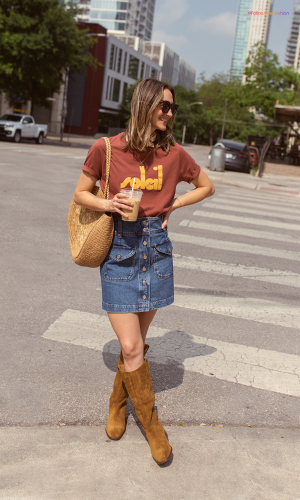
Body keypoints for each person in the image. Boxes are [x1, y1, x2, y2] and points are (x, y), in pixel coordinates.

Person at [73, 78, 215, 465]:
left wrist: (176, 203)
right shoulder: (107, 148)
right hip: (119, 250)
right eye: (164, 106)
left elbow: (207, 185)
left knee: (132, 345)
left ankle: (117, 405)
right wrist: (108, 205)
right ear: (145, 104)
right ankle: (154, 428)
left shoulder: (174, 154)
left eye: (173, 108)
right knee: (134, 346)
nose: (169, 113)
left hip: (156, 250)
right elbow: (80, 193)